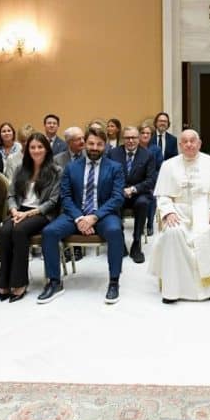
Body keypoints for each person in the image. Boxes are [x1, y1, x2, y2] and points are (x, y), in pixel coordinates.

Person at [39, 126, 125, 304]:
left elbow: (117, 198)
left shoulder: (115, 167)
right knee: (49, 232)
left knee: (116, 232)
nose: (94, 148)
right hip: (75, 214)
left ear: (105, 145)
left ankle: (114, 281)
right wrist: (79, 218)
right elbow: (66, 196)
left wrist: (94, 217)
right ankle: (55, 282)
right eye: (91, 143)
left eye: (99, 144)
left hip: (103, 214)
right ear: (84, 143)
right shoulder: (71, 167)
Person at [150, 129, 210, 304]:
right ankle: (173, 288)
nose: (189, 144)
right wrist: (169, 212)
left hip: (205, 210)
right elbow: (163, 196)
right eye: (185, 142)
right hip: (179, 212)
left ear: (199, 143)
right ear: (180, 145)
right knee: (173, 233)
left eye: (193, 141)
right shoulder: (169, 165)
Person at [0, 132, 60, 302]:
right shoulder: (20, 169)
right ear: (27, 150)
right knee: (4, 231)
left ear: (47, 149)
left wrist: (28, 214)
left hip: (42, 213)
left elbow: (53, 201)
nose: (36, 150)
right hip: (19, 211)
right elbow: (11, 195)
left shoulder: (56, 171)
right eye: (32, 147)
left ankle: (20, 283)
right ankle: (4, 282)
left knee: (19, 230)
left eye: (40, 147)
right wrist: (14, 211)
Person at [107, 125, 157, 264]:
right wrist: (121, 190)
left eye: (134, 137)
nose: (130, 141)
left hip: (139, 193)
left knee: (142, 203)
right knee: (115, 203)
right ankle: (120, 242)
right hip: (119, 192)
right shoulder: (113, 153)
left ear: (139, 138)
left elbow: (151, 180)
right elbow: (108, 177)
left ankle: (136, 243)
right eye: (127, 138)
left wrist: (134, 189)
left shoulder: (147, 155)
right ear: (123, 138)